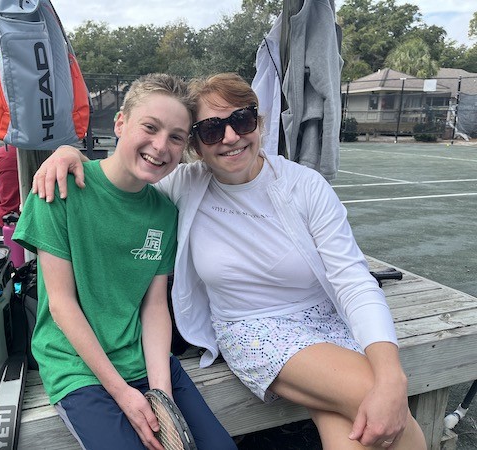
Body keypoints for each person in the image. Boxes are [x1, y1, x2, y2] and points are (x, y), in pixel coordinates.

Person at [32, 73, 428, 450]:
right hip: (252, 331)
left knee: (365, 428)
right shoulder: (183, 183)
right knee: (376, 405)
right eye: (210, 129)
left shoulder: (303, 185)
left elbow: (353, 281)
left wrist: (393, 374)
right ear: (198, 148)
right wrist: (68, 153)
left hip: (325, 323)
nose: (231, 137)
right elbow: (127, 170)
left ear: (260, 122)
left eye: (242, 119)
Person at [12, 73, 236, 450]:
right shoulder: (58, 189)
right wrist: (123, 395)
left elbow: (153, 307)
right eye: (150, 127)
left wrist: (161, 397)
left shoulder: (165, 212)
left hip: (145, 361)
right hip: (78, 369)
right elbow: (62, 305)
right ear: (120, 123)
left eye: (176, 137)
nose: (160, 145)